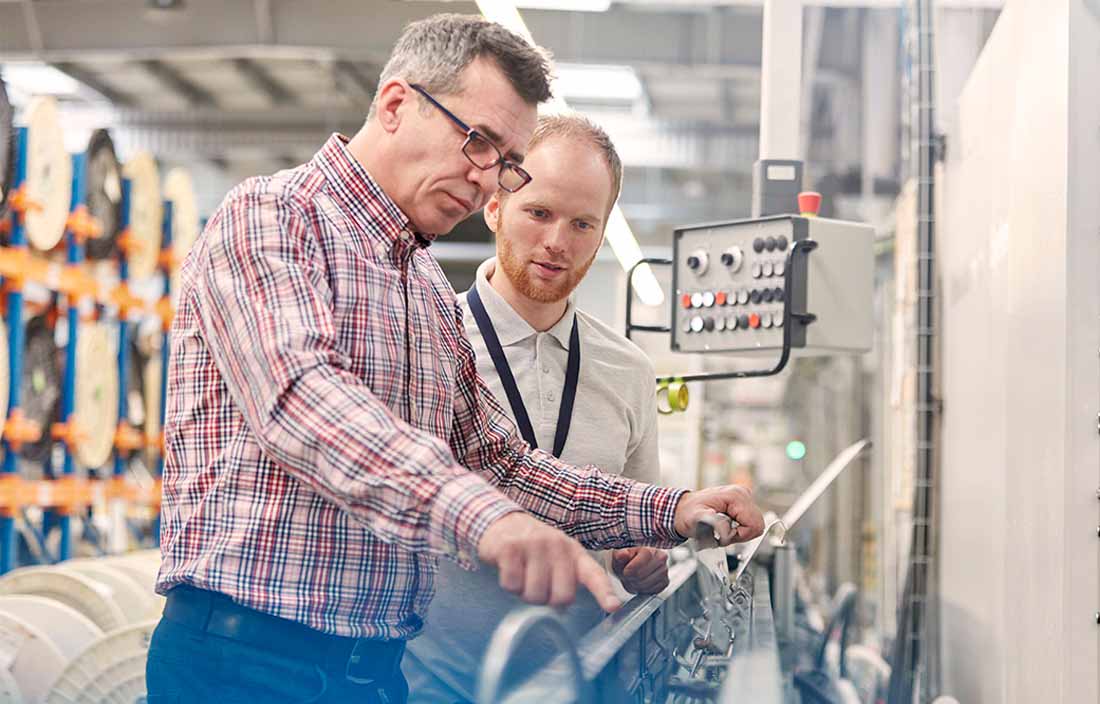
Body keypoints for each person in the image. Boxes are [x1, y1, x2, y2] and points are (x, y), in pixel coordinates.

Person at [146, 13, 764, 704]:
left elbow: (497, 462)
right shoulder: (273, 218)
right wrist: (488, 520)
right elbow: (303, 403)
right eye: (477, 141)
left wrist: (670, 509)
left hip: (374, 670)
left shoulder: (424, 288)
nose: (484, 179)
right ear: (394, 104)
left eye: (505, 162)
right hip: (248, 661)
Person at [403, 113, 671, 702]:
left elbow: (639, 523)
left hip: (581, 678)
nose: (558, 242)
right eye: (539, 212)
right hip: (432, 683)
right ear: (495, 209)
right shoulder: (424, 342)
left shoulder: (628, 371)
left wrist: (644, 559)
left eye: (582, 223)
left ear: (601, 236)